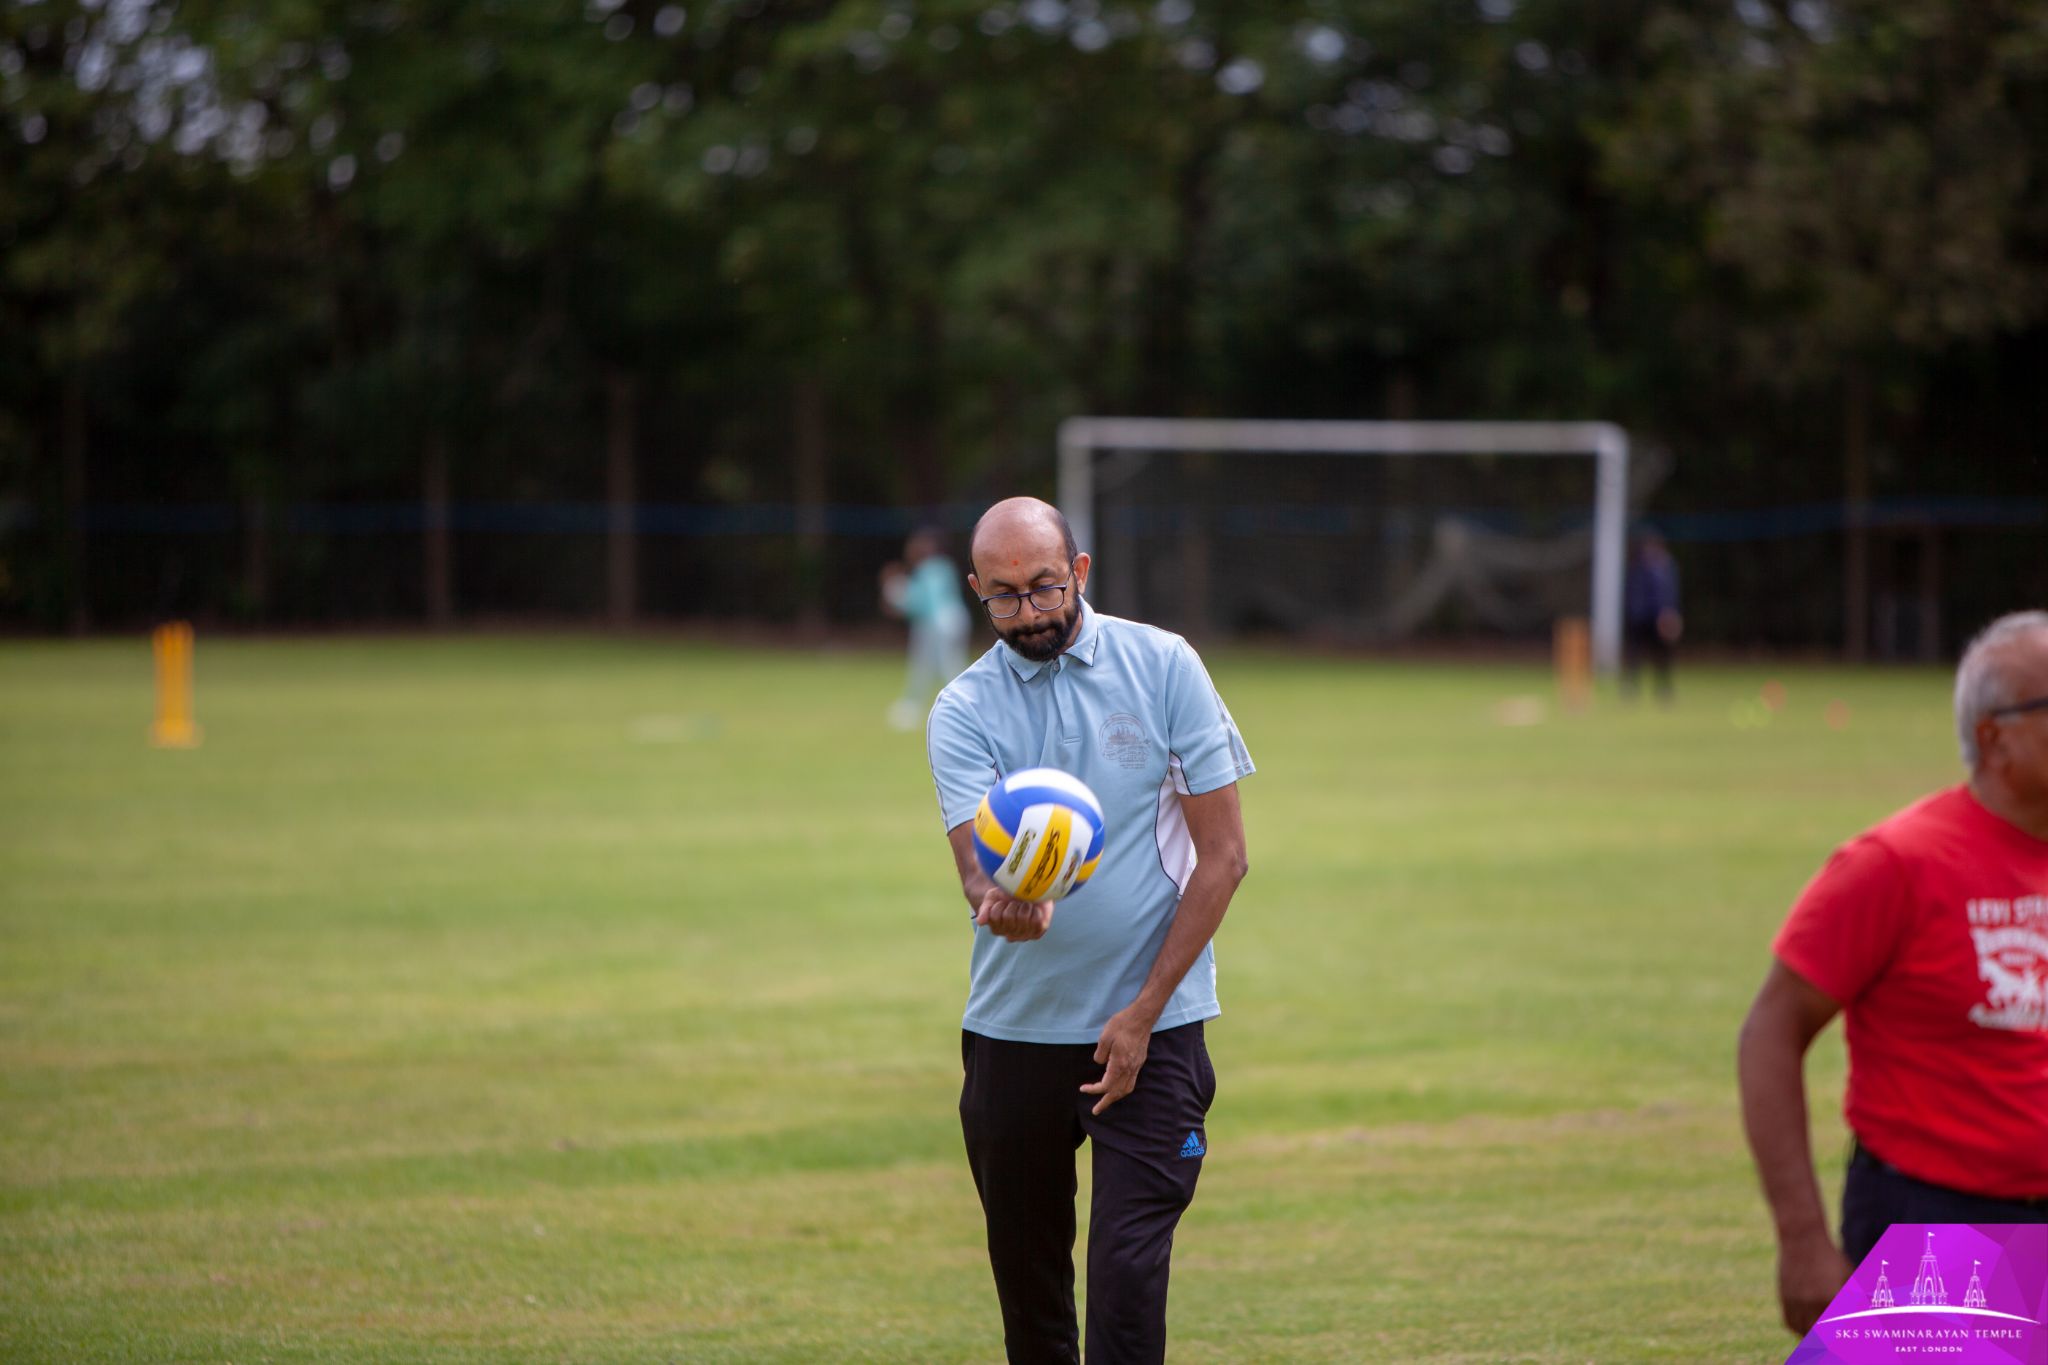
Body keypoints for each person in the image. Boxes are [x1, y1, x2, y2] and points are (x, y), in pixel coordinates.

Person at [924, 496, 1254, 1365]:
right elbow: (974, 874)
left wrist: (1144, 1012)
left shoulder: (1166, 665)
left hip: (1156, 1029)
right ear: (975, 591)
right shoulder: (961, 709)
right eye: (1002, 597)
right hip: (1015, 1030)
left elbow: (1223, 858)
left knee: (1127, 1281)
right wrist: (1009, 903)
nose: (1027, 614)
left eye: (1042, 587)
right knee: (1030, 1292)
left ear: (1079, 571)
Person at [1738, 609, 2048, 1338]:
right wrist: (1803, 1237)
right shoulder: (1897, 864)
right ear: (1993, 737)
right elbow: (1770, 1031)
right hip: (1941, 1229)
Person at [880, 527, 971, 730]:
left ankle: (957, 708)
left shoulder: (926, 571)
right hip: (957, 619)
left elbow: (920, 604)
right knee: (948, 665)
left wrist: (893, 590)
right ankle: (961, 707)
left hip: (935, 624)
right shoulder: (944, 566)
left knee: (935, 667)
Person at [1621, 530, 1682, 702]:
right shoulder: (1638, 567)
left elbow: (1670, 593)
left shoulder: (1667, 567)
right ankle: (1631, 688)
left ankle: (1664, 689)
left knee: (1662, 656)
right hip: (1639, 618)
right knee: (1635, 655)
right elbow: (1633, 593)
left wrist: (1669, 613)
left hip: (1660, 618)